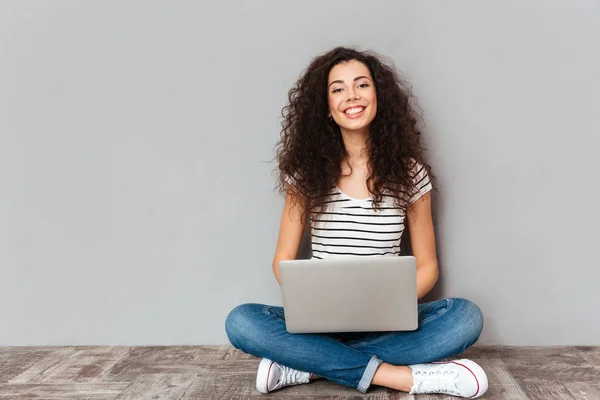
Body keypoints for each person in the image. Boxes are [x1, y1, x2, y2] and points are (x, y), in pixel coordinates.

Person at [225, 46, 488, 398]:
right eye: (338, 89)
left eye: (361, 84)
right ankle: (401, 377)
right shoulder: (305, 177)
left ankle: (309, 367)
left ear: (379, 97)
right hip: (320, 326)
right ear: (328, 110)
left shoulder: (412, 175)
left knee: (465, 317)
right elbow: (282, 260)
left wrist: (388, 305)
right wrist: (314, 303)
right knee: (241, 322)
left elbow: (427, 266)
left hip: (388, 323)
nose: (351, 95)